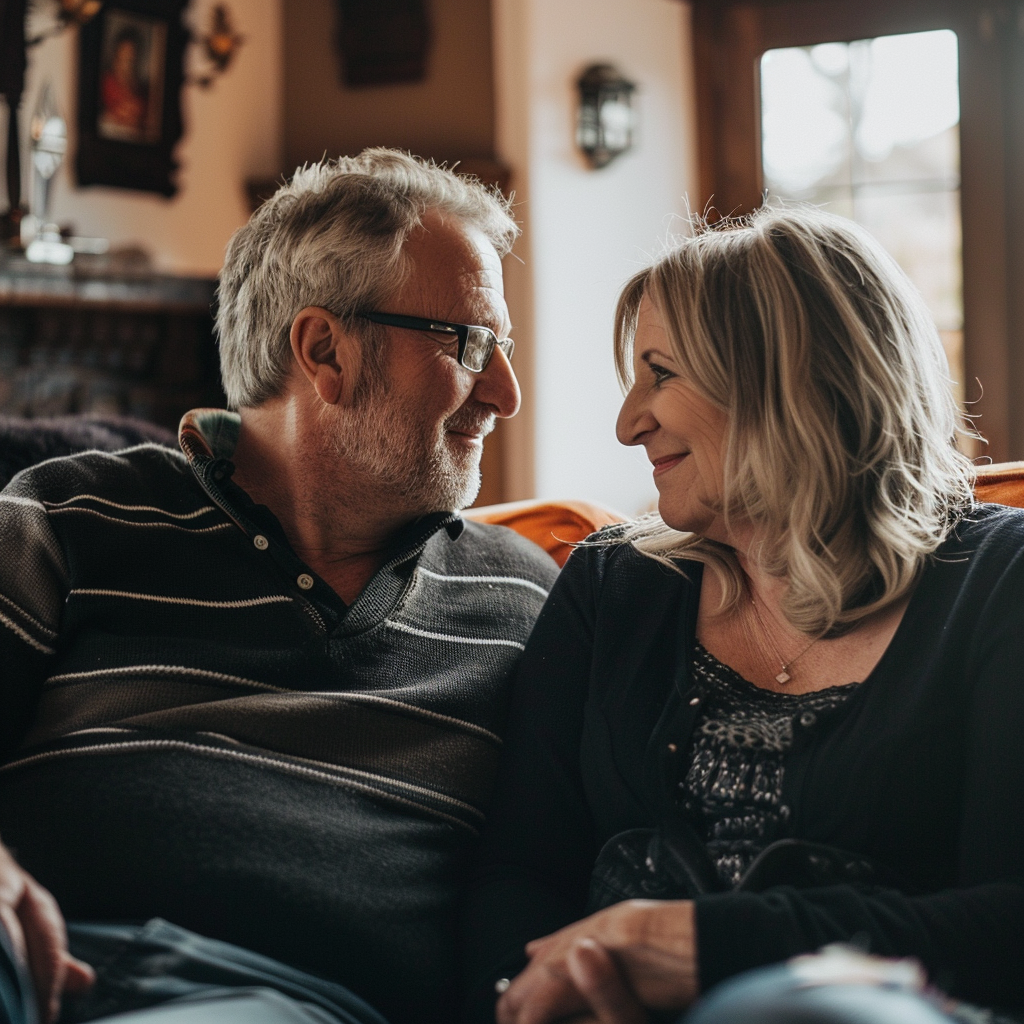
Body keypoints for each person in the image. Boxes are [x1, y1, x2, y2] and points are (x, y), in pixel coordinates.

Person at [0, 150, 559, 1024]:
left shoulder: (524, 601)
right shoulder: (69, 514)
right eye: (471, 343)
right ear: (324, 350)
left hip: (269, 1002)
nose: (505, 392)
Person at [462, 206, 1024, 1024]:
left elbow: (1010, 924)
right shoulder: (612, 586)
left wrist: (705, 948)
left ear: (789, 380)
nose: (628, 423)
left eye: (661, 372)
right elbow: (515, 875)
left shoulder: (1000, 581)